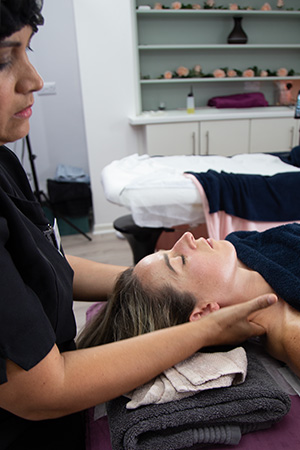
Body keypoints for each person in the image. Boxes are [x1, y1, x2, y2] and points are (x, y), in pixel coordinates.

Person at [0, 1, 277, 449]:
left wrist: (141, 282)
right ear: (205, 312)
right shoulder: (257, 308)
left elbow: (41, 262)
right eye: (3, 60)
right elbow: (40, 390)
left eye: (29, 52)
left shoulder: (4, 164)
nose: (33, 80)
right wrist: (207, 330)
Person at [78, 224, 300, 378]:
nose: (185, 238)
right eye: (180, 260)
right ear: (203, 312)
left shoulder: (241, 246)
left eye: (169, 250)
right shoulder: (288, 328)